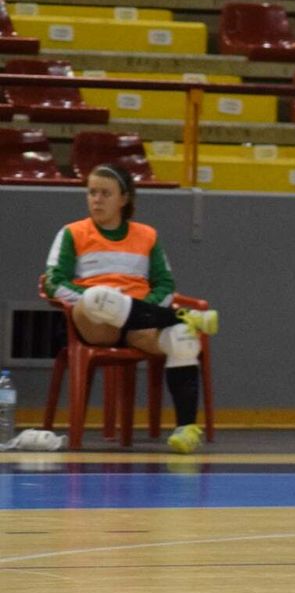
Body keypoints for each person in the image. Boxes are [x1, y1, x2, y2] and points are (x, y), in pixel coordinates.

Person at [42, 164, 218, 455]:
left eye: (105, 193)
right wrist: (92, 296)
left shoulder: (147, 235)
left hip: (139, 322)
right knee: (101, 297)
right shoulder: (72, 233)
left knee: (184, 337)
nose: (96, 199)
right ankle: (177, 315)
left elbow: (165, 284)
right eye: (92, 192)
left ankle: (185, 430)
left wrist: (142, 308)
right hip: (94, 322)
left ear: (124, 199)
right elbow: (53, 283)